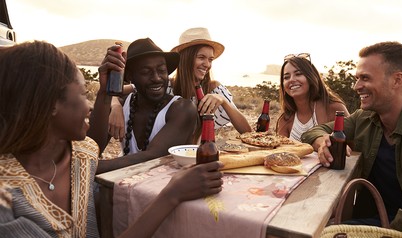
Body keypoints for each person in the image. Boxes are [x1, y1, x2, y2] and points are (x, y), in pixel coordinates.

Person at [0, 41, 224, 237]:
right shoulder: (6, 203)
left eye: (161, 70)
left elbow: (92, 150)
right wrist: (171, 195)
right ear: (49, 104)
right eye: (82, 93)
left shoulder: (79, 157)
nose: (88, 105)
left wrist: (107, 94)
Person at [302, 41, 402, 237]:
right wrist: (322, 141)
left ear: (397, 80)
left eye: (365, 78)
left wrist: (386, 232)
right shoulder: (364, 118)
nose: (357, 86)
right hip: (370, 223)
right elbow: (313, 132)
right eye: (357, 78)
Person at [108, 27, 252, 142]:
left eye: (210, 59)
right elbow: (117, 91)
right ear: (186, 58)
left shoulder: (214, 89)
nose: (207, 64)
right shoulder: (164, 85)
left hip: (197, 157)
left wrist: (224, 102)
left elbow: (247, 132)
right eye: (201, 57)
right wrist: (115, 106)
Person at [90, 38, 200, 159]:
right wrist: (104, 92)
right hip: (127, 178)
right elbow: (91, 149)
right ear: (130, 76)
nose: (157, 78)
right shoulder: (122, 106)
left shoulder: (183, 108)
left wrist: (93, 167)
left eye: (162, 70)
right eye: (146, 72)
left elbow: (151, 157)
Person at [276, 53, 349, 141]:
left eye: (298, 74)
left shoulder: (334, 108)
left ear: (311, 77)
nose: (291, 79)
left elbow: (353, 144)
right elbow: (279, 150)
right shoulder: (285, 119)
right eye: (286, 77)